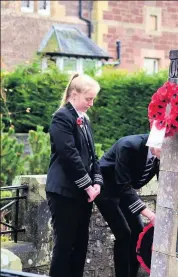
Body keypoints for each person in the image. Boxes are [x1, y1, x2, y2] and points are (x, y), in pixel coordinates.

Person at [46, 73, 103, 277]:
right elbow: (68, 155)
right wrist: (87, 185)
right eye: (88, 98)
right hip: (63, 192)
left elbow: (92, 156)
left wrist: (97, 182)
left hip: (81, 193)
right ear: (74, 95)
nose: (92, 103)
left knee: (80, 246)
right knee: (64, 247)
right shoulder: (62, 117)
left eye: (93, 99)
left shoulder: (83, 120)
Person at [94, 134, 160, 277]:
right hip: (106, 189)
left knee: (138, 232)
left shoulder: (159, 155)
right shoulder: (129, 146)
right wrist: (150, 214)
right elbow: (123, 184)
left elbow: (165, 186)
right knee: (124, 233)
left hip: (124, 190)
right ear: (156, 142)